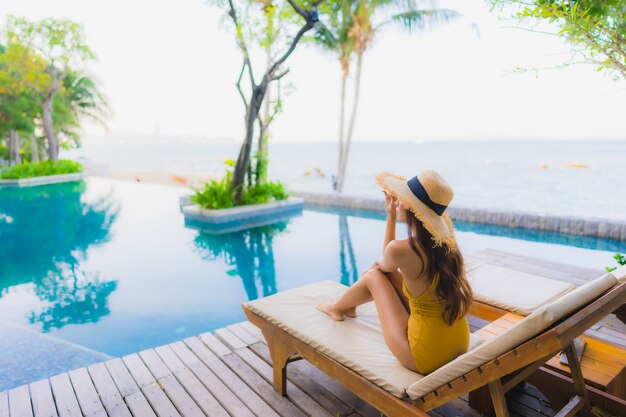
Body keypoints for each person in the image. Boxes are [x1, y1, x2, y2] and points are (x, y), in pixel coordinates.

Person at [317, 170, 473, 374]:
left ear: (412, 208)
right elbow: (389, 266)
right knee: (382, 273)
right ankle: (345, 307)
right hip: (460, 343)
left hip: (425, 357)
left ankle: (337, 307)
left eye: (401, 198)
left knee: (373, 275)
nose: (397, 201)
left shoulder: (402, 249)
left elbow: (383, 265)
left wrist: (390, 216)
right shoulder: (446, 245)